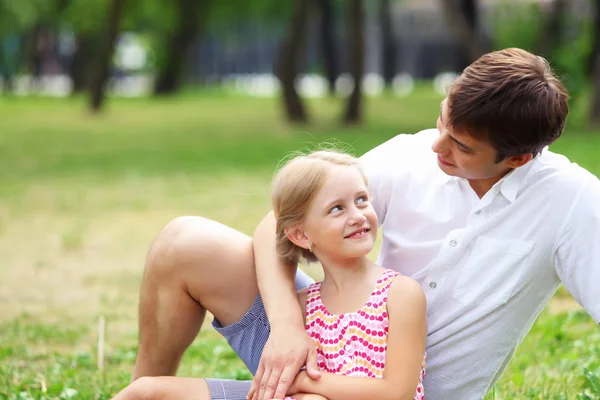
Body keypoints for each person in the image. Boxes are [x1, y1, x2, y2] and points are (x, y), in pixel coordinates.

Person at [126, 48, 600, 400]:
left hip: (389, 389)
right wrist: (289, 327)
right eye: (441, 122)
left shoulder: (571, 202)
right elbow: (281, 222)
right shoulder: (410, 154)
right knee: (182, 243)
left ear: (517, 158)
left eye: (461, 146)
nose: (437, 147)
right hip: (320, 348)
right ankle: (146, 383)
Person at [112, 150, 428, 400]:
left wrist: (302, 383)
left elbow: (396, 392)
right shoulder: (304, 305)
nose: (358, 215)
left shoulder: (399, 293)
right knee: (146, 392)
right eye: (337, 209)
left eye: (362, 200)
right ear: (301, 236)